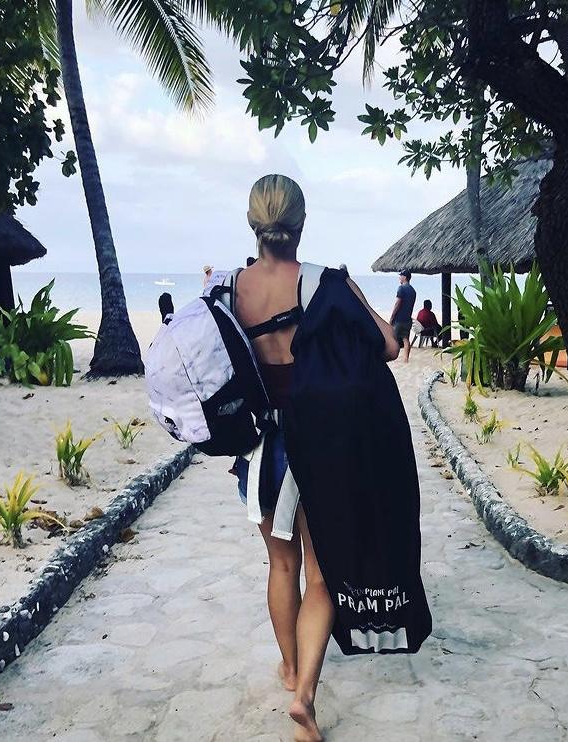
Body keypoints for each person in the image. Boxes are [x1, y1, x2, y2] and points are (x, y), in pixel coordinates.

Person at [233, 174, 399, 742]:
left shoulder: (230, 287)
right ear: (301, 223)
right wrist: (351, 293)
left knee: (281, 566)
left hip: (261, 449)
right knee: (321, 575)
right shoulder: (326, 282)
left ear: (253, 223)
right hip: (322, 445)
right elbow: (388, 344)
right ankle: (304, 695)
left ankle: (288, 668)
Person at [390, 269, 417, 363]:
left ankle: (392, 358)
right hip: (408, 319)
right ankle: (406, 359)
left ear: (405, 277)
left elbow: (397, 304)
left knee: (393, 338)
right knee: (406, 339)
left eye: (400, 276)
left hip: (399, 319)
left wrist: (392, 317)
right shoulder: (413, 291)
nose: (399, 278)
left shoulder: (401, 288)